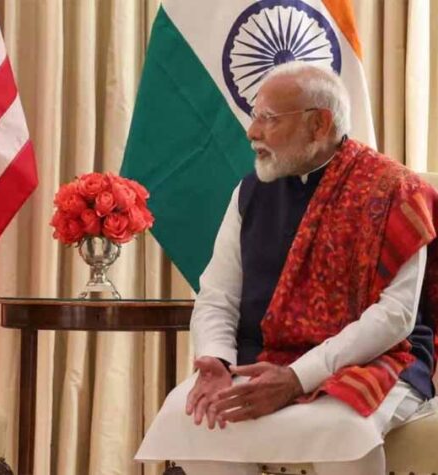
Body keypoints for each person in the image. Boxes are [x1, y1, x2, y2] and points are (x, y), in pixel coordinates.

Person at [136, 61, 438, 474]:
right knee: (192, 418)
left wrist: (298, 376)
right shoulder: (250, 191)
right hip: (263, 355)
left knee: (339, 431)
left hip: (376, 359)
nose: (252, 132)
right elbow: (218, 295)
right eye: (255, 116)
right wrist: (216, 359)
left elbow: (396, 317)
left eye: (269, 118)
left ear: (319, 125)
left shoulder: (395, 191)